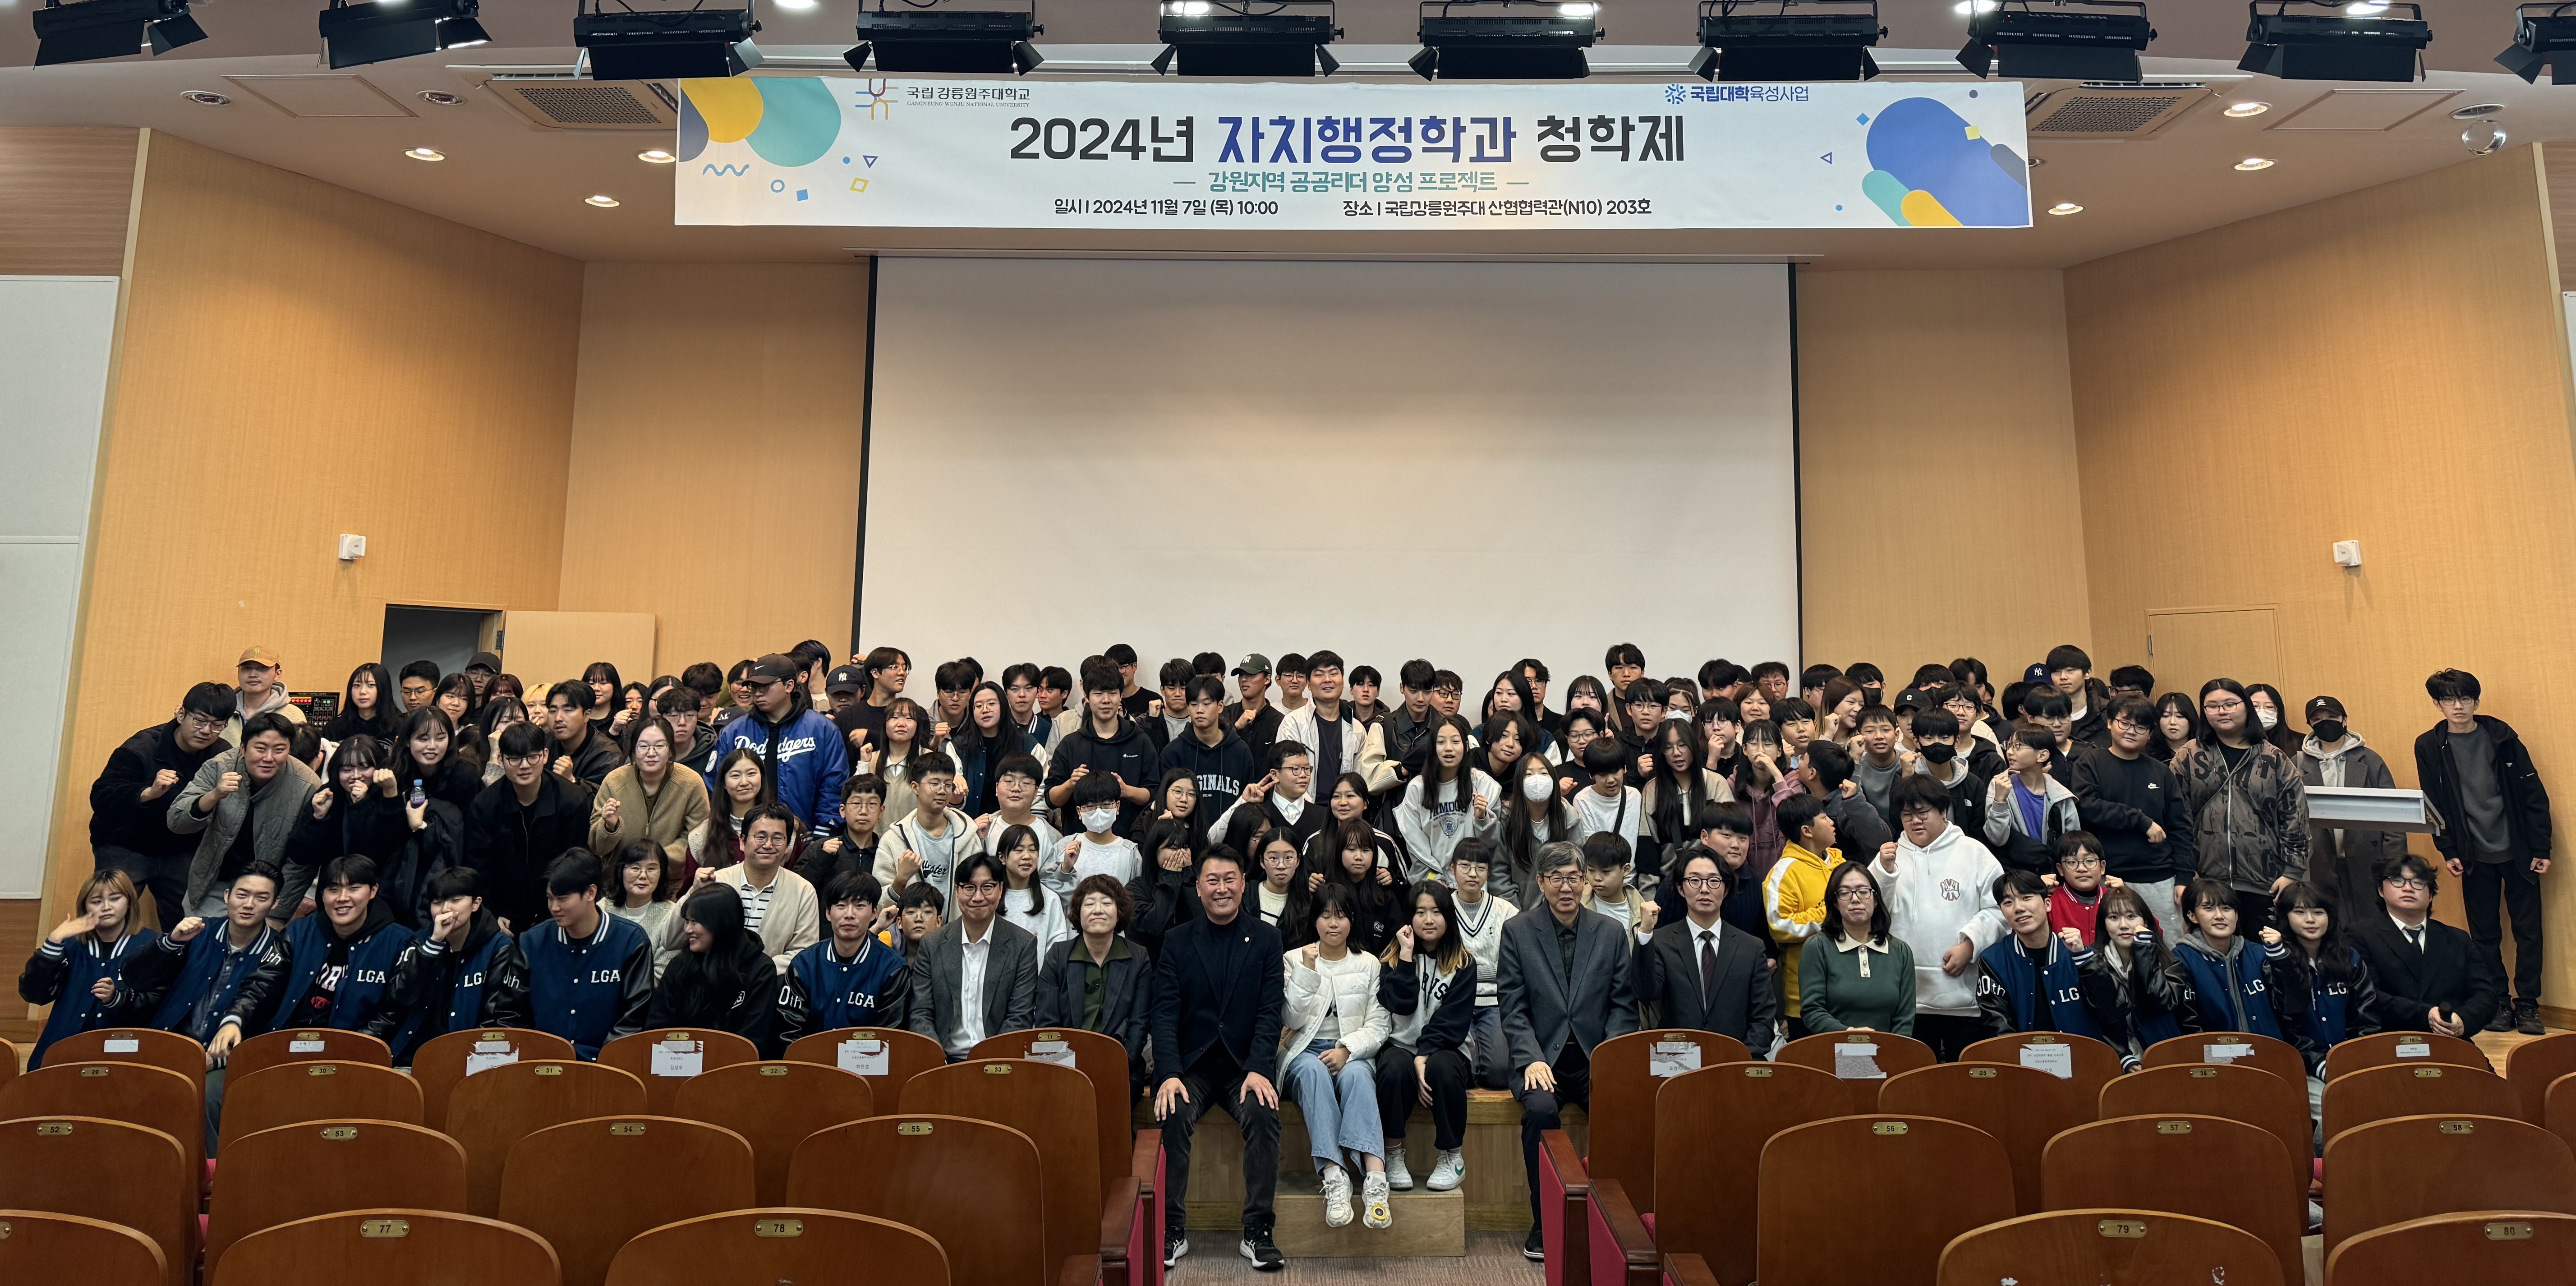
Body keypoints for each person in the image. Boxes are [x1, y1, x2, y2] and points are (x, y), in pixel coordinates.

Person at [1498, 840, 1638, 1261]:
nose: (1566, 887)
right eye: (1556, 878)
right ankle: (1544, 1222)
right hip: (1543, 1059)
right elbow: (1513, 1006)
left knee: (1622, 1110)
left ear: (1585, 881)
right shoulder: (1519, 930)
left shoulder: (1610, 932)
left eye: (1574, 877)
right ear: (1541, 882)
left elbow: (1623, 1005)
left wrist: (1607, 1060)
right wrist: (1531, 1057)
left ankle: (1616, 1223)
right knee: (1541, 1111)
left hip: (1596, 1058)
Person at [1150, 846, 1287, 1271]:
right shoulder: (1177, 940)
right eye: (1213, 880)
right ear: (1199, 887)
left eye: (1230, 879)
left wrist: (1260, 1067)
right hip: (1191, 1065)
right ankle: (1170, 1228)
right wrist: (1169, 1072)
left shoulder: (1267, 939)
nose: (1222, 888)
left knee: (1263, 1111)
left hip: (1243, 1066)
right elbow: (1164, 1013)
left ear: (1244, 884)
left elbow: (1270, 1012)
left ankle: (1257, 1229)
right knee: (1171, 1110)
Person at [2412, 668, 2552, 1035]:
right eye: (2449, 699)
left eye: (2465, 698)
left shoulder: (2504, 738)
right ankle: (2498, 1003)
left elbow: (2534, 796)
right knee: (2485, 935)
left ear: (2476, 701)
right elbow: (2433, 803)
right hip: (2472, 855)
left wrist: (2541, 846)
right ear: (2438, 704)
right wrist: (2448, 849)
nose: (2458, 706)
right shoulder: (2429, 746)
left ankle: (2528, 1004)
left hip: (2519, 850)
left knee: (2528, 932)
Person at [1278, 884, 1395, 1231]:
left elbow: (1379, 1024)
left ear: (1352, 920)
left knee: (1358, 1076)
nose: (1333, 923)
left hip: (1352, 1050)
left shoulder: (1369, 963)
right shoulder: (1294, 959)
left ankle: (1376, 1179)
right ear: (1314, 919)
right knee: (1313, 1072)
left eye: (1341, 915)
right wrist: (1307, 970)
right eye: (1326, 915)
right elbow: (1291, 1018)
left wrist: (1347, 1050)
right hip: (1303, 1049)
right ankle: (1334, 1176)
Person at [1870, 774, 2004, 1061]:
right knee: (1916, 1077)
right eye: (1907, 815)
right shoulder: (1888, 858)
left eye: (1923, 813)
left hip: (1965, 999)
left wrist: (1969, 945)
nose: (1915, 821)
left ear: (1944, 811)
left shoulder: (1974, 853)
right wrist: (1885, 873)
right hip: (1907, 1001)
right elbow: (1869, 916)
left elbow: (1999, 910)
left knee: (1966, 1075)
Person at [115, 862, 288, 1075]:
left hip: (226, 1062)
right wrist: (171, 943)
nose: (249, 904)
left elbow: (266, 1013)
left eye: (262, 898)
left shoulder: (279, 950)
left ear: (275, 903)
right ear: (227, 896)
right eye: (242, 895)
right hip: (166, 1045)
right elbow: (134, 978)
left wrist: (222, 1059)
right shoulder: (199, 930)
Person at [92, 682, 237, 931]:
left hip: (182, 849)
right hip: (126, 845)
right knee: (107, 916)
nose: (206, 731)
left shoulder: (222, 755)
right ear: (181, 714)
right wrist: (148, 793)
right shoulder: (142, 746)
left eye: (217, 725)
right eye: (200, 721)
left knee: (188, 924)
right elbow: (101, 797)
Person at [2171, 679, 2310, 937]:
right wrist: (2185, 871)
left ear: (2246, 707)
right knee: (2213, 951)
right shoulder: (2189, 755)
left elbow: (2295, 817)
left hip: (2267, 881)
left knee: (2264, 951)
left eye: (2230, 704)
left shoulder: (2274, 758)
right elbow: (2176, 817)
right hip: (2207, 879)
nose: (2222, 712)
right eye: (2212, 706)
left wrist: (2293, 871)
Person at [170, 711, 322, 924]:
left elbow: (301, 861)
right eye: (260, 749)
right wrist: (214, 796)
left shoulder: (307, 785)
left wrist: (277, 913)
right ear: (243, 748)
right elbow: (176, 821)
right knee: (204, 941)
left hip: (271, 892)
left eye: (280, 750)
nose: (269, 758)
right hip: (215, 884)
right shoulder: (219, 766)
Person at [1377, 880, 1478, 1192]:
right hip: (1401, 1045)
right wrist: (1407, 957)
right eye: (1420, 912)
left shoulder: (1463, 962)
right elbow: (1401, 1004)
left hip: (1447, 1047)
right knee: (1393, 1067)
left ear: (1448, 916)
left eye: (1436, 912)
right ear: (1410, 917)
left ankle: (1452, 1156)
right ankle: (1393, 1153)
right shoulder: (1393, 958)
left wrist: (1423, 1056)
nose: (1429, 919)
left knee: (1442, 1067)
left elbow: (1453, 1023)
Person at [266, 856, 421, 1056]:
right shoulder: (299, 932)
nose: (342, 898)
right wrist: (235, 1019)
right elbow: (263, 983)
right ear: (322, 894)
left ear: (373, 891)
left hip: (354, 1056)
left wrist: (345, 1052)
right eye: (333, 890)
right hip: (286, 1047)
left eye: (354, 889)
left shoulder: (402, 943)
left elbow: (395, 1013)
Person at [373, 867, 530, 1064]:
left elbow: (498, 1017)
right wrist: (434, 945)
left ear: (476, 904)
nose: (445, 909)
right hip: (413, 1055)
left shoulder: (498, 947)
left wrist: (470, 1062)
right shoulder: (422, 942)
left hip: (470, 1059)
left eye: (456, 900)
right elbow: (400, 998)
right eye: (437, 902)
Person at [1632, 846, 1775, 1051]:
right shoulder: (1662, 941)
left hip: (1733, 1058)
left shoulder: (1751, 948)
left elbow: (1763, 1018)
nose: (1705, 889)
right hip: (1676, 1058)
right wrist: (1646, 932)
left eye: (1714, 881)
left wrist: (1743, 1058)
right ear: (1681, 889)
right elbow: (1646, 993)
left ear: (1726, 889)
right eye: (1695, 880)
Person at [519, 849, 654, 1060]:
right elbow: (512, 1013)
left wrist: (605, 1061)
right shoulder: (532, 942)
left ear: (591, 893)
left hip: (607, 1065)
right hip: (543, 1064)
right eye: (550, 899)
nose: (554, 907)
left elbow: (635, 1016)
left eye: (563, 899)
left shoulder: (631, 941)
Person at [905, 851, 1039, 1060]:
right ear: (957, 891)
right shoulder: (932, 944)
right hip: (944, 1061)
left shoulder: (1022, 945)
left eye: (987, 887)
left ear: (1001, 889)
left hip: (998, 1062)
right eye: (969, 888)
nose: (978, 897)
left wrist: (991, 1063)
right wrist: (938, 1059)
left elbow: (1019, 1017)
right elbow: (921, 1013)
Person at [2353, 853, 2502, 1037]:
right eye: (2398, 881)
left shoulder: (2458, 939)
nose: (2408, 888)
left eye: (2418, 882)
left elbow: (2486, 994)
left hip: (2450, 1040)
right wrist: (2427, 1015)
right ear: (2381, 890)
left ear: (2431, 894)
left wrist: (2463, 1020)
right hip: (2388, 1040)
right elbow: (2368, 995)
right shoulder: (2360, 936)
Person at [2070, 697, 2194, 917]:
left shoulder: (2161, 772)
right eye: (2125, 723)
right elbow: (2088, 806)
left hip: (2159, 877)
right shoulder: (2090, 763)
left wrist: (2184, 876)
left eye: (2141, 727)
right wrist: (2141, 821)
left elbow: (2180, 826)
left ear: (2150, 734)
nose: (2131, 731)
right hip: (2107, 875)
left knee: (2165, 938)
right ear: (2110, 723)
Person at [19, 869, 155, 1066]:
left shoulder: (150, 945)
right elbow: (35, 995)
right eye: (97, 901)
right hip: (64, 1050)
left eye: (115, 899)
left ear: (129, 902)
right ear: (85, 907)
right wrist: (53, 943)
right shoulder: (70, 946)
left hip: (124, 1053)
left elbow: (154, 1005)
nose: (106, 907)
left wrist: (117, 998)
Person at [467, 722, 593, 931]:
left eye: (533, 757)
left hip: (559, 909)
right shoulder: (485, 805)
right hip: (506, 912)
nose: (525, 766)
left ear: (545, 756)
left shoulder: (572, 799)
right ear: (501, 760)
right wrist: (492, 914)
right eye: (515, 759)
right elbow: (479, 867)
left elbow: (577, 863)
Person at [1973, 868, 2120, 1046]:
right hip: (2022, 1059)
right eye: (2008, 902)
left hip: (2083, 1056)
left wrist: (2085, 959)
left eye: (2027, 898)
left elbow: (2113, 1011)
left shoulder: (2079, 953)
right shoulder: (1992, 960)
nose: (2019, 908)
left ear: (2048, 904)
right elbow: (1997, 1027)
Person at [1037, 873, 1154, 1093]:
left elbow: (1139, 1025)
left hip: (1121, 1067)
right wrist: (1069, 1070)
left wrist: (1115, 1066)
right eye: (1089, 904)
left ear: (1119, 912)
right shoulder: (1058, 956)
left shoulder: (1138, 958)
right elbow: (1047, 1023)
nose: (1098, 910)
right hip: (1065, 1067)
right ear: (1078, 913)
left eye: (1107, 903)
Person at [2168, 877, 2309, 1059]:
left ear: (2237, 915)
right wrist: (2225, 1059)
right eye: (2209, 908)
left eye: (2227, 908)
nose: (2219, 916)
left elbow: (2293, 1006)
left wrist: (2280, 958)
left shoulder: (2259, 954)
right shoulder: (2181, 959)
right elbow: (2188, 1025)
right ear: (2192, 916)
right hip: (2216, 1064)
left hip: (2271, 1056)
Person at [717, 654, 849, 845]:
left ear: (789, 686)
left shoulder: (823, 730)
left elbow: (834, 782)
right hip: (744, 838)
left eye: (765, 686)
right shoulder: (733, 733)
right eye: (754, 687)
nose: (758, 693)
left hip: (806, 838)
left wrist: (822, 832)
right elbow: (717, 785)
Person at [2263, 879, 2380, 1086]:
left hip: (2351, 1061)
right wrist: (2320, 1065)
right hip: (2302, 1068)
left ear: (2330, 916)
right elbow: (2284, 1023)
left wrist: (2353, 1057)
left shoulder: (2348, 957)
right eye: (2300, 912)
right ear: (2286, 917)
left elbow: (2367, 1015)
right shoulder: (2276, 962)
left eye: (2318, 912)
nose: (2310, 920)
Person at [646, 884, 783, 1057]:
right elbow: (657, 1030)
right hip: (678, 1063)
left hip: (735, 1067)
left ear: (720, 923)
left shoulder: (760, 970)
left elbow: (753, 1039)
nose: (687, 930)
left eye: (695, 922)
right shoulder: (680, 966)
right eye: (687, 921)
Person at [781, 870, 912, 1041]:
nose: (849, 915)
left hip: (867, 1058)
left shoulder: (892, 970)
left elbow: (888, 1039)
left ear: (874, 913)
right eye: (841, 905)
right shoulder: (804, 964)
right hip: (811, 1057)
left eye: (860, 906)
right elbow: (788, 1032)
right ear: (828, 913)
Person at [588, 716, 709, 888]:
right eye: (643, 746)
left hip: (672, 883)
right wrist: (609, 827)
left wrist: (655, 861)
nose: (651, 753)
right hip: (620, 882)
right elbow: (596, 846)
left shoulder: (691, 783)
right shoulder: (614, 782)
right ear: (634, 750)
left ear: (671, 750)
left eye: (660, 746)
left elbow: (698, 838)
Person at [1045, 659, 1162, 838]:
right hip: (1079, 845)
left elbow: (1154, 793)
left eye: (1113, 693)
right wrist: (1070, 785)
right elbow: (1051, 799)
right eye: (1099, 694)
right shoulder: (1071, 744)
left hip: (1130, 841)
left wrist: (1127, 791)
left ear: (1121, 696)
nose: (1106, 701)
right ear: (1087, 697)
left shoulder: (1140, 741)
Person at [1800, 860, 1916, 1036]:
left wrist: (1891, 1048)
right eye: (1845, 893)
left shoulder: (1900, 951)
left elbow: (1905, 1017)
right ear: (1835, 902)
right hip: (1832, 1047)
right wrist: (1851, 1036)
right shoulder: (1818, 947)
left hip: (1890, 1049)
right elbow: (1812, 1010)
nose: (1855, 899)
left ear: (1875, 900)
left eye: (1863, 892)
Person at [704, 804, 821, 972]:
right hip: (715, 979)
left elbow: (804, 951)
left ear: (787, 845)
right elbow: (673, 939)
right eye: (760, 837)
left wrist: (759, 971)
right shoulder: (718, 882)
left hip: (773, 983)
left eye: (778, 838)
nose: (768, 845)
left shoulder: (803, 891)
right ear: (742, 841)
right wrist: (694, 892)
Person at [2088, 883, 2189, 1067]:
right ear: (2104, 924)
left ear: (2146, 922)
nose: (2124, 925)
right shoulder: (2094, 965)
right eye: (2114, 918)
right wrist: (2122, 1056)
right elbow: (2095, 1019)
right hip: (2114, 1060)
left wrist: (2144, 952)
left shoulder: (2169, 963)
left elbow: (2155, 1004)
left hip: (2164, 1056)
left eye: (2131, 917)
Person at [1763, 793, 1838, 1039]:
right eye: (1824, 818)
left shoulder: (1841, 864)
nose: (1832, 822)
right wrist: (1830, 914)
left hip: (1848, 994)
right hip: (1806, 998)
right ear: (1807, 831)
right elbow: (1779, 926)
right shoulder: (1784, 872)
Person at [1444, 839, 1517, 1089]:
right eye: (1465, 866)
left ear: (1489, 872)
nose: (1473, 874)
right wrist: (1487, 972)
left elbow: (1512, 968)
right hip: (1454, 1002)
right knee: (1465, 1073)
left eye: (1481, 868)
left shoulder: (1507, 912)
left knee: (1499, 1074)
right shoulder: (1442, 910)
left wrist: (1466, 973)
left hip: (1495, 1003)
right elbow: (1441, 968)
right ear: (1453, 868)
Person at [1396, 715, 1497, 880]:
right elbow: (1416, 848)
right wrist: (1435, 881)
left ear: (1466, 747)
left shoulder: (1483, 784)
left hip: (1473, 881)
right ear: (1432, 748)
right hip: (1431, 882)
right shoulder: (1418, 788)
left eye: (1455, 742)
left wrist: (1482, 819)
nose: (1449, 748)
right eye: (1441, 742)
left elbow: (1492, 843)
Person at [879, 752, 975, 907]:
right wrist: (901, 880)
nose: (942, 791)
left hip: (958, 923)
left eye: (948, 785)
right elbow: (879, 903)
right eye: (935, 783)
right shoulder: (894, 839)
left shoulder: (968, 836)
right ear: (915, 787)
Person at [1984, 726, 2080, 875]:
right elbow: (1996, 838)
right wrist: (2000, 801)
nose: (2010, 752)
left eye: (2018, 746)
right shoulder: (2000, 785)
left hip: (2053, 874)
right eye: (2010, 745)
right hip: (2015, 875)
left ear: (2042, 756)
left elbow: (2073, 846)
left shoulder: (2060, 796)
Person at [1163, 675, 1258, 824]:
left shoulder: (1241, 751)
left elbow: (1248, 806)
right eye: (1194, 704)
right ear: (1188, 708)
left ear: (1220, 707)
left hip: (1231, 836)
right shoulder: (1173, 753)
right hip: (1186, 836)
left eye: (1207, 704)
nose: (1200, 710)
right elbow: (1164, 803)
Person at [1360, 659, 1441, 809]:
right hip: (1393, 812)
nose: (1421, 698)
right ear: (1402, 688)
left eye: (1427, 692)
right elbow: (1368, 779)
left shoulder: (1445, 728)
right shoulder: (1384, 725)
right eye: (1414, 691)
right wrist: (1402, 769)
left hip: (1436, 810)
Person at [1053, 771, 1146, 899]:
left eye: (1106, 805)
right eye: (1091, 806)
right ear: (1080, 811)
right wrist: (1065, 870)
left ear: (1117, 807)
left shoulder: (1130, 853)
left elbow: (1136, 897)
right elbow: (1050, 891)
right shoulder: (1065, 847)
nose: (1099, 811)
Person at [1278, 650, 1362, 790]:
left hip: (1342, 802)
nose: (1327, 680)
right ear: (1309, 684)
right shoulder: (1293, 724)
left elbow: (1359, 780)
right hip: (1303, 803)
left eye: (1333, 674)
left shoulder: (1357, 729)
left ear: (1343, 682)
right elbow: (1287, 776)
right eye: (1319, 675)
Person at [603, 840, 682, 981]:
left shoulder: (672, 916)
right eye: (635, 868)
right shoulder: (602, 909)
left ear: (662, 873)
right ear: (621, 871)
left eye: (651, 869)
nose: (643, 876)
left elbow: (660, 975)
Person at [1129, 823, 1208, 958]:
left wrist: (1188, 876)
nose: (1181, 853)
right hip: (1153, 963)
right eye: (1173, 848)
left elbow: (1202, 919)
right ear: (1154, 851)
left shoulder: (1196, 883)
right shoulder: (1136, 889)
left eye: (1185, 847)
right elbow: (1154, 927)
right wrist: (1170, 879)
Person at [993, 823, 1072, 952]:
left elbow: (1057, 946)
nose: (1027, 856)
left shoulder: (1050, 899)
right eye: (1019, 850)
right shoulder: (992, 897)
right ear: (1002, 858)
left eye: (1032, 850)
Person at [542, 680, 624, 793]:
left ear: (587, 715)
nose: (558, 718)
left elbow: (602, 800)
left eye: (568, 710)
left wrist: (571, 781)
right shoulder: (544, 743)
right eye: (553, 711)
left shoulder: (608, 755)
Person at [225, 646, 306, 744]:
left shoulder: (293, 715)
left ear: (278, 674)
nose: (253, 674)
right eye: (247, 668)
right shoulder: (223, 710)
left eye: (262, 668)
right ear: (238, 673)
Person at [1579, 834, 1653, 936]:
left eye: (1606, 872)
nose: (1597, 878)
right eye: (1591, 870)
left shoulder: (1642, 911)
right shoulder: (1577, 905)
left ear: (1626, 870)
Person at [2046, 832, 2113, 943]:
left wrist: (2124, 896)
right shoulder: (2050, 903)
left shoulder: (2114, 899)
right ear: (2060, 869)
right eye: (2072, 862)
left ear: (2102, 867)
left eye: (2090, 861)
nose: (2081, 869)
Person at [323, 663, 404, 746]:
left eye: (371, 685)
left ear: (383, 689)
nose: (363, 692)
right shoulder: (336, 726)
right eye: (357, 685)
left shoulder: (399, 726)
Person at [892, 884, 946, 960]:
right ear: (900, 922)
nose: (919, 919)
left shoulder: (949, 959)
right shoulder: (887, 959)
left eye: (927, 912)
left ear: (939, 922)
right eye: (911, 912)